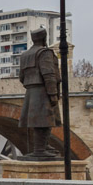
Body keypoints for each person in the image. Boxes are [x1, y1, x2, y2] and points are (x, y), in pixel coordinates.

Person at [18, 28, 61, 159]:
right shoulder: (44, 52)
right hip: (43, 90)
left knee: (43, 120)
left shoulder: (25, 55)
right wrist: (53, 93)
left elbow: (21, 77)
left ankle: (44, 146)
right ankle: (39, 150)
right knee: (44, 120)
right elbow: (48, 74)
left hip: (31, 91)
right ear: (44, 38)